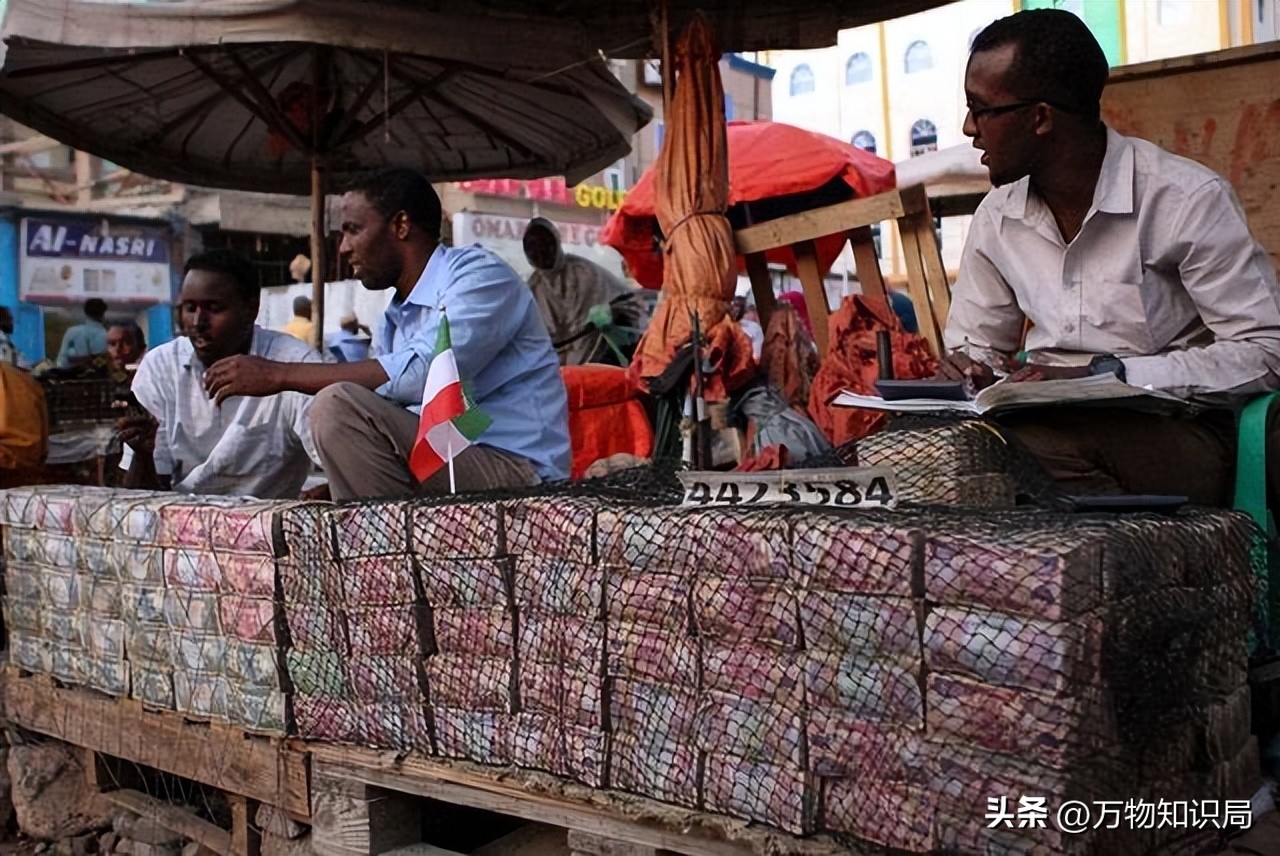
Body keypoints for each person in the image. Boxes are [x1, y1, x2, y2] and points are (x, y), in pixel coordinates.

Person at [940, 9, 1280, 505]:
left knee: (1029, 453)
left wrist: (1113, 374)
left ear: (1040, 118)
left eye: (981, 108)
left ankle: (1152, 560)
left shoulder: (1185, 199)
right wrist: (969, 369)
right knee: (922, 449)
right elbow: (979, 348)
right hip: (1040, 422)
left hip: (1175, 429)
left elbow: (1265, 351)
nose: (969, 127)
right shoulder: (997, 216)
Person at [200, 167, 571, 501]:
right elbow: (395, 411)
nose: (343, 248)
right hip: (449, 458)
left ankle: (380, 561)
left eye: (353, 229)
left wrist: (278, 374)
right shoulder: (393, 318)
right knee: (341, 414)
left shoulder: (479, 275)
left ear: (401, 226)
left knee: (336, 406)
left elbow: (423, 374)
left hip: (518, 469)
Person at [117, 249, 324, 498]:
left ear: (251, 308)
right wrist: (142, 453)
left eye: (213, 308)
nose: (197, 322)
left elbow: (338, 459)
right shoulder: (160, 367)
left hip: (263, 530)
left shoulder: (293, 363)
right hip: (177, 527)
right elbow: (140, 500)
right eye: (190, 308)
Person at [523, 217, 646, 366]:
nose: (541, 252)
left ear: (556, 241)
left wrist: (610, 314)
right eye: (532, 247)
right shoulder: (531, 291)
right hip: (554, 373)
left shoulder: (585, 272)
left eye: (545, 244)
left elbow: (628, 303)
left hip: (596, 360)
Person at [56, 298, 109, 367]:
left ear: (86, 313)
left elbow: (63, 358)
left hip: (62, 374)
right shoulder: (102, 334)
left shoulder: (71, 331)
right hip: (89, 375)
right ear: (103, 314)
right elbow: (101, 360)